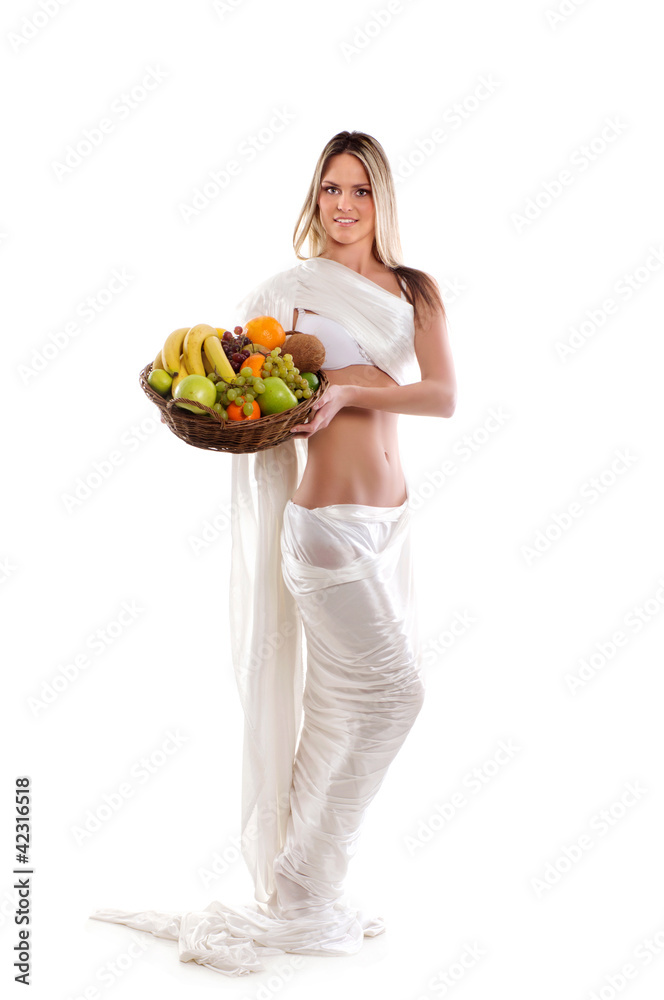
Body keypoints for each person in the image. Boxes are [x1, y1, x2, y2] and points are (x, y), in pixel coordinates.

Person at [89, 130, 457, 977]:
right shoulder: (286, 298)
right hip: (324, 525)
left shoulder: (416, 290)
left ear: (382, 200)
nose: (343, 205)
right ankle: (304, 883)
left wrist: (351, 386)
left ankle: (307, 886)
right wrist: (322, 395)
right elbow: (261, 393)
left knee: (338, 706)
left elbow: (442, 395)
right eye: (330, 188)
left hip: (389, 521)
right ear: (314, 197)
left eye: (360, 190)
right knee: (395, 696)